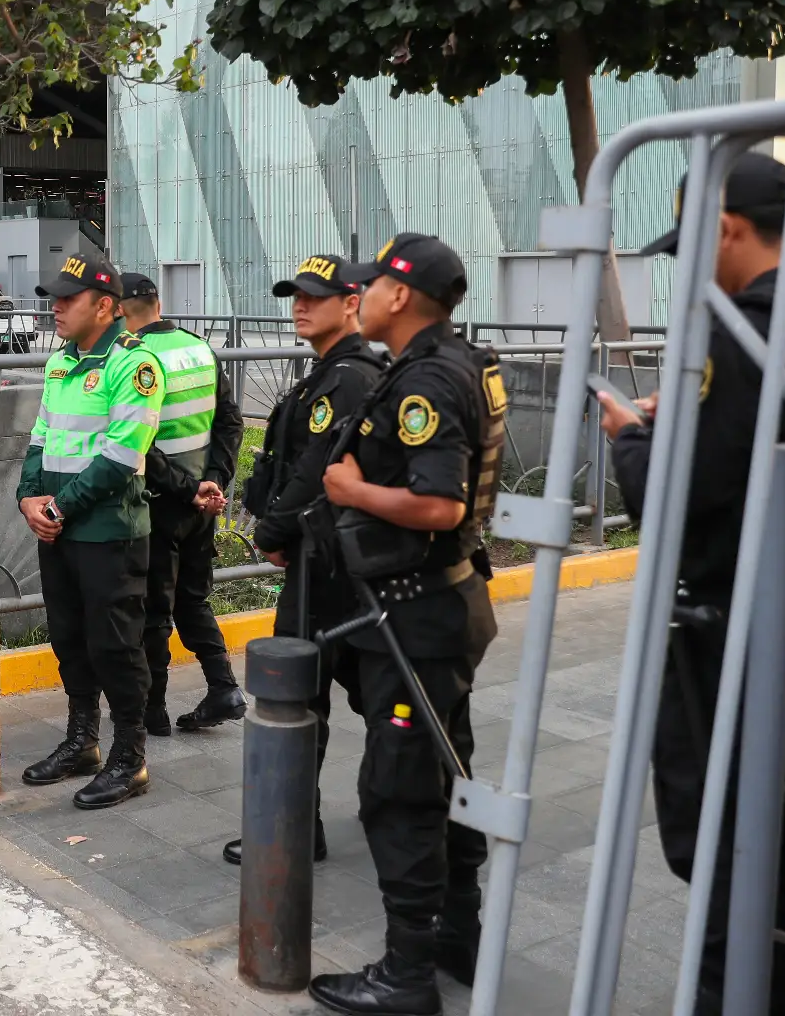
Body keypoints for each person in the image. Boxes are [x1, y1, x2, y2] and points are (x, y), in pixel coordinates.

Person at [597, 154, 785, 1016]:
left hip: (743, 631)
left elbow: (678, 493)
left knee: (732, 850)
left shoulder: (746, 329)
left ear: (725, 230)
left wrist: (630, 437)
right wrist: (690, 421)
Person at [304, 233, 505, 1015]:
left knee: (400, 792)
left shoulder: (427, 379)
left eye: (372, 285)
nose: (361, 296)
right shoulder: (455, 361)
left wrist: (352, 493)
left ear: (401, 295)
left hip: (418, 614)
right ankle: (459, 936)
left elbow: (440, 503)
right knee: (448, 774)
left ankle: (407, 973)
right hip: (441, 603)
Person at [224, 254, 385, 869]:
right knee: (321, 697)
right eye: (296, 296)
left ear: (351, 303)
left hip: (333, 567)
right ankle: (309, 823)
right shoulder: (328, 373)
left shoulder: (347, 379)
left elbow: (318, 469)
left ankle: (313, 826)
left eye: (315, 296)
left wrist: (271, 531)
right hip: (325, 563)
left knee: (302, 698)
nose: (300, 306)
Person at [17, 250, 165, 810]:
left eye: (67, 298)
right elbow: (40, 436)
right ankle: (82, 741)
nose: (55, 307)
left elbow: (122, 456)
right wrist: (28, 496)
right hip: (60, 530)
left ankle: (130, 757)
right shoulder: (61, 361)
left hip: (109, 531)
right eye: (54, 298)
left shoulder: (135, 364)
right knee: (69, 638)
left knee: (116, 645)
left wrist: (56, 509)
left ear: (105, 306)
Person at [115, 273, 246, 735]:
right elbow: (231, 422)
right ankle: (224, 687)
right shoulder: (199, 348)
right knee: (192, 599)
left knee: (154, 610)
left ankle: (153, 711)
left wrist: (186, 488)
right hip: (202, 505)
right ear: (158, 302)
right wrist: (213, 482)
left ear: (119, 310)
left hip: (159, 502)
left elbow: (137, 442)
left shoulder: (134, 358)